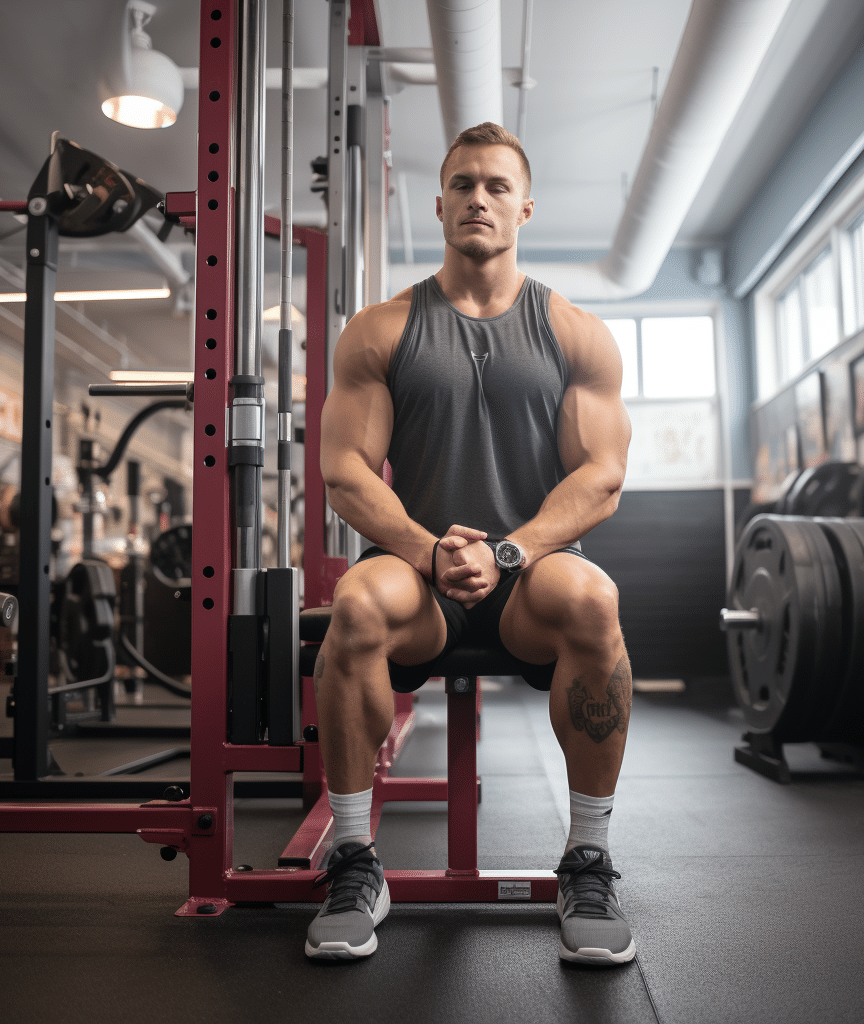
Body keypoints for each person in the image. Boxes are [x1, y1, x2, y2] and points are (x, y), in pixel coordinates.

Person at [306, 122, 633, 966]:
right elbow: (344, 472)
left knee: (596, 599)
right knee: (353, 603)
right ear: (441, 202)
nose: (477, 198)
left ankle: (587, 859)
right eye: (462, 185)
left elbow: (600, 476)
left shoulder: (574, 332)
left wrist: (510, 552)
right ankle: (353, 859)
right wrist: (426, 550)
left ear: (525, 206)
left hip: (532, 580)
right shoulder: (380, 329)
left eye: (495, 185)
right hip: (422, 580)